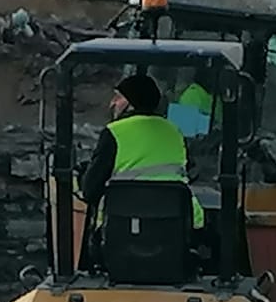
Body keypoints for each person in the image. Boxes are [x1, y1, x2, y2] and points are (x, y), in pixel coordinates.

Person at [79, 73, 205, 238]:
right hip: (176, 231)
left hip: (121, 232)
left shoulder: (114, 132)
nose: (112, 103)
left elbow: (90, 191)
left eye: (118, 97)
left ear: (131, 103)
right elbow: (189, 171)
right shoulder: (175, 132)